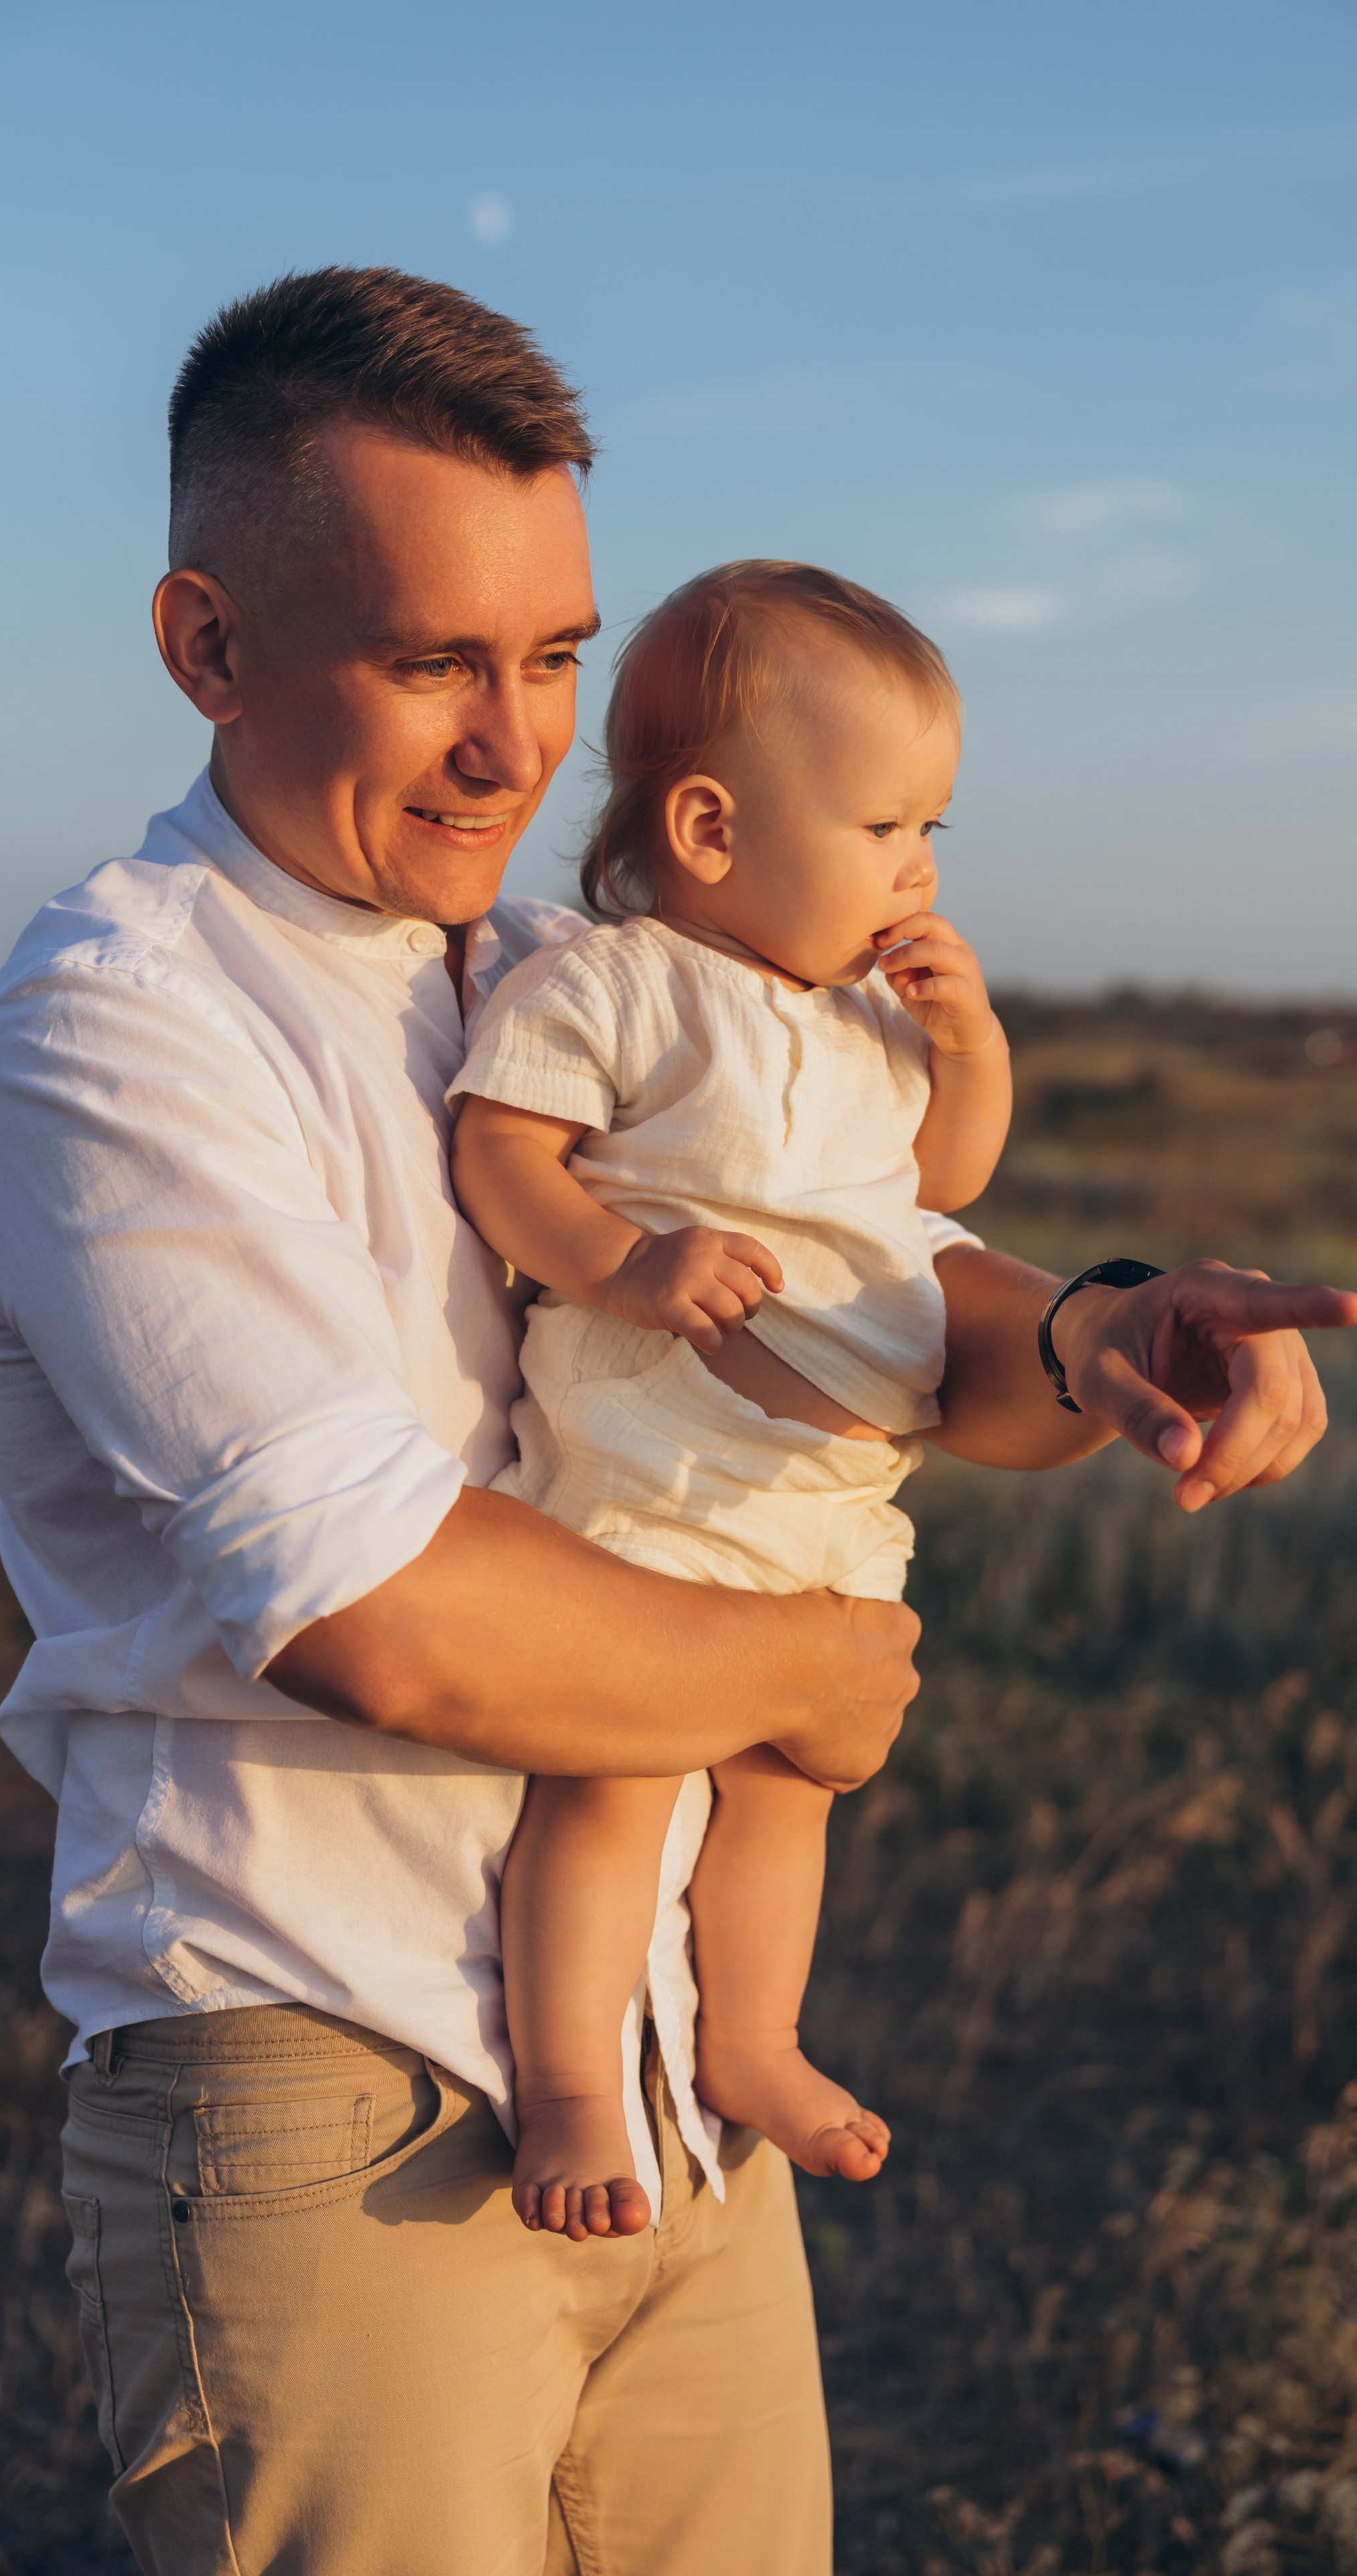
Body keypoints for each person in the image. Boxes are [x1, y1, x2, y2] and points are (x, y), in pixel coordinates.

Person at [0, 265, 1357, 2576]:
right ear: (206, 644)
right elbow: (388, 1620)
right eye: (432, 663)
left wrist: (1109, 1331)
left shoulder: (554, 956)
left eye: (556, 658)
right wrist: (815, 1681)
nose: (518, 748)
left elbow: (878, 1270)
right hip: (325, 2087)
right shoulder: (121, 1037)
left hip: (674, 2075)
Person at [450, 561, 1012, 2239]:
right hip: (662, 1470)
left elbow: (935, 1186)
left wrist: (968, 1048)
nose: (915, 869)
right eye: (881, 827)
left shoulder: (861, 1020)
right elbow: (504, 1152)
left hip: (827, 1501)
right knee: (614, 1787)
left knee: (785, 1784)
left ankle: (751, 2040)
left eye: (933, 832)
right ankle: (566, 2089)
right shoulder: (610, 984)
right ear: (707, 828)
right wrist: (620, 1267)